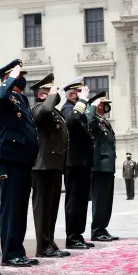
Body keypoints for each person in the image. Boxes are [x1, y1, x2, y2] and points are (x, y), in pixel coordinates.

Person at [0, 59, 39, 267]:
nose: (22, 78)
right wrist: (10, 78)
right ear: (8, 77)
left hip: (23, 160)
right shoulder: (0, 94)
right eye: (18, 75)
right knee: (11, 208)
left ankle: (18, 250)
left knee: (20, 208)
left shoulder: (20, 98)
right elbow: (0, 97)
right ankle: (9, 253)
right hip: (10, 159)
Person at [30, 73, 71, 258]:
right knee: (43, 208)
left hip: (54, 164)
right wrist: (51, 96)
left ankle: (49, 242)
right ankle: (42, 245)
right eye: (50, 91)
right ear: (41, 94)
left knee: (52, 207)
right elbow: (41, 115)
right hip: (42, 165)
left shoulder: (56, 113)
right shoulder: (39, 108)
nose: (55, 93)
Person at [61, 77, 95, 250]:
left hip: (82, 162)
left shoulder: (78, 111)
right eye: (79, 92)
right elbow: (72, 121)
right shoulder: (67, 108)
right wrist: (82, 101)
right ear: (73, 93)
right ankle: (72, 237)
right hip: (73, 163)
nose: (83, 95)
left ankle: (78, 235)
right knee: (74, 201)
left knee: (82, 201)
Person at [88, 94, 119, 242]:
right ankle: (96, 230)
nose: (105, 106)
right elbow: (88, 122)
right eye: (102, 103)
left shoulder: (104, 120)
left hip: (107, 165)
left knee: (107, 200)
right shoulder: (93, 119)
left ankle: (102, 228)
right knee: (100, 200)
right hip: (99, 165)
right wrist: (92, 106)